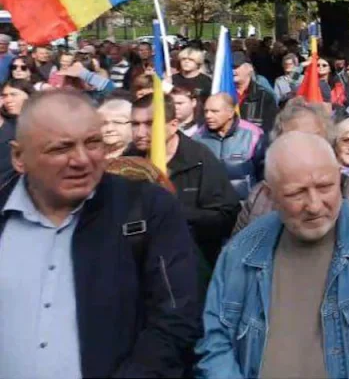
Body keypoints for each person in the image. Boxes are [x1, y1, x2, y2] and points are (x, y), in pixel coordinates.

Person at [0, 90, 201, 377]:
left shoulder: (146, 209)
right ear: (19, 157)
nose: (81, 160)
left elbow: (176, 319)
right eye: (61, 148)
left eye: (93, 143)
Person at [195, 132, 349, 378]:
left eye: (325, 187)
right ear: (270, 194)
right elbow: (214, 343)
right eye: (297, 193)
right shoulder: (240, 252)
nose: (315, 205)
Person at [128, 94, 239, 268]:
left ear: (173, 125)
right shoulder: (127, 162)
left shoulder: (200, 159)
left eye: (150, 124)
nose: (140, 133)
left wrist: (175, 213)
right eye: (135, 124)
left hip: (191, 266)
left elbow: (226, 215)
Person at [232, 99, 349, 234]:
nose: (304, 147)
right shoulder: (260, 196)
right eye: (295, 139)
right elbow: (236, 252)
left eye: (313, 139)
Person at [193, 93, 266, 200]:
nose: (208, 115)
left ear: (231, 113)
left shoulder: (253, 135)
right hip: (212, 208)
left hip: (245, 207)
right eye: (206, 111)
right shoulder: (197, 138)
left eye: (214, 111)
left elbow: (264, 175)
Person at [232, 50, 279, 133]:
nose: (232, 71)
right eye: (229, 67)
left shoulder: (265, 97)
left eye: (236, 67)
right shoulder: (221, 96)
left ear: (249, 68)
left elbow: (271, 129)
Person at [0, 78, 32, 187]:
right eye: (4, 96)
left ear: (28, 95)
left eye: (13, 94)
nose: (8, 100)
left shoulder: (42, 122)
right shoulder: (7, 125)